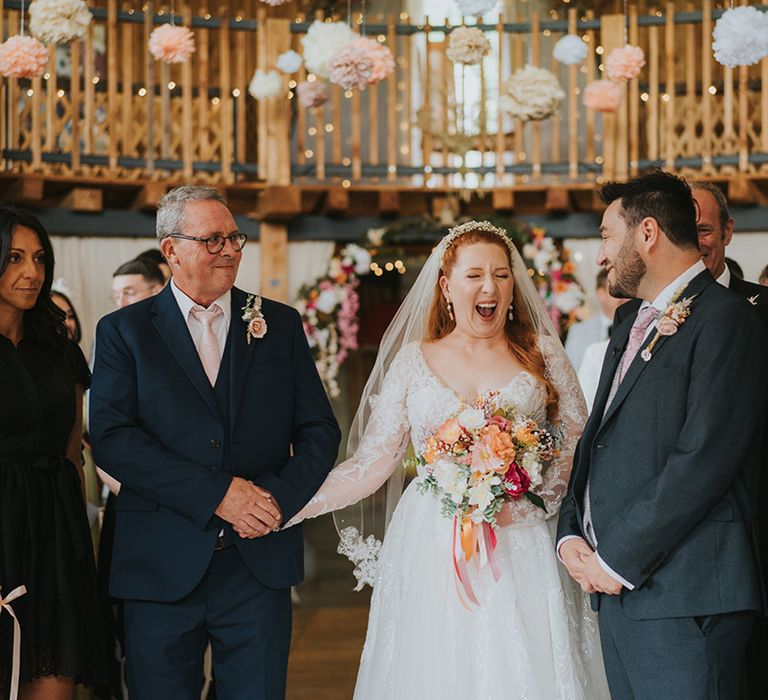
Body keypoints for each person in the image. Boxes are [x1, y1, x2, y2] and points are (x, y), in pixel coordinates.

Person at [286, 221, 610, 699]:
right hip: (433, 543)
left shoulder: (542, 354)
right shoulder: (414, 361)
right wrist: (287, 502)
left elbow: (576, 446)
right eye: (475, 274)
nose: (490, 287)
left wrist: (525, 495)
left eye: (501, 275)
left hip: (523, 540)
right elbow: (371, 465)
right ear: (446, 286)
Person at [89, 185, 340, 699]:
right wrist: (220, 495)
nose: (230, 250)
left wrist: (273, 501)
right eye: (213, 240)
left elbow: (319, 431)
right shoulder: (123, 332)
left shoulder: (281, 324)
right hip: (159, 564)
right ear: (171, 250)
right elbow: (113, 440)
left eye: (234, 237)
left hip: (257, 562)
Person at [557, 170, 768, 699]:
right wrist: (570, 533)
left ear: (646, 233)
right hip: (620, 593)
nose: (601, 255)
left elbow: (703, 459)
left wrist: (615, 559)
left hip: (689, 595)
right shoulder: (630, 320)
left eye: (606, 236)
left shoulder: (728, 321)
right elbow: (596, 440)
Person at [0, 206, 108, 698]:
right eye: (15, 257)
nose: (32, 272)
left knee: (54, 681)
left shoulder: (59, 347)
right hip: (1, 528)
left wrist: (77, 546)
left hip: (54, 532)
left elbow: (71, 449)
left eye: (40, 258)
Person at [692, 181, 768, 699]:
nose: (697, 242)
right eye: (687, 229)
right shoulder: (640, 315)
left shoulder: (761, 308)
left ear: (727, 233)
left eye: (705, 229)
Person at [565, 269, 623, 369]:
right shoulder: (578, 331)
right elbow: (572, 372)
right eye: (618, 290)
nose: (624, 296)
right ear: (601, 294)